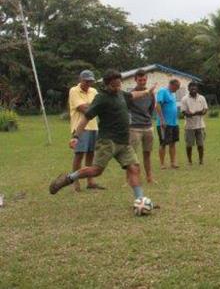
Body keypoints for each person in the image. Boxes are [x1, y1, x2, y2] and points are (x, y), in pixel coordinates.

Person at [49, 70, 156, 206]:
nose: (117, 87)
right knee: (96, 171)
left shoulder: (121, 94)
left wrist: (147, 92)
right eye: (114, 85)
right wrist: (76, 136)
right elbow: (86, 118)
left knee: (134, 168)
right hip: (108, 141)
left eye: (119, 84)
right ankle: (69, 178)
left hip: (123, 142)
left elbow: (134, 94)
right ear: (106, 84)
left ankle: (140, 200)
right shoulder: (101, 98)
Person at [68, 70, 103, 191]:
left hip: (94, 126)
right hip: (80, 128)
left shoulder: (94, 91)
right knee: (79, 155)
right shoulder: (74, 90)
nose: (88, 83)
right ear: (80, 80)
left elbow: (99, 106)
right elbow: (83, 109)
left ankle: (90, 181)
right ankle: (75, 181)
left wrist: (92, 106)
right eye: (86, 81)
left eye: (90, 81)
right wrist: (93, 106)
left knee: (91, 154)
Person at [128, 69, 156, 183]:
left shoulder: (151, 93)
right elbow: (127, 109)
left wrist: (147, 119)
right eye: (140, 80)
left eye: (144, 79)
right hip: (134, 128)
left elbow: (151, 108)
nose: (142, 82)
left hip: (148, 127)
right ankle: (130, 179)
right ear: (135, 80)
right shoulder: (131, 94)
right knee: (131, 155)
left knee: (147, 153)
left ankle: (149, 177)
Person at [180, 81, 208, 166]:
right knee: (189, 145)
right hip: (189, 126)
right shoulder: (184, 99)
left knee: (201, 144)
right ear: (188, 89)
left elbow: (205, 109)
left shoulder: (202, 98)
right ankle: (189, 161)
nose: (193, 88)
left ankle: (201, 160)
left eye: (195, 87)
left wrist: (202, 112)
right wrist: (194, 113)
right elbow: (184, 112)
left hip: (200, 125)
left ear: (197, 88)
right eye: (191, 87)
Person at [156, 79, 180, 169]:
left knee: (173, 143)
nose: (177, 89)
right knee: (163, 143)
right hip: (165, 123)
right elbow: (157, 105)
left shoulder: (172, 94)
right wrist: (162, 120)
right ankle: (162, 164)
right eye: (176, 87)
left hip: (174, 123)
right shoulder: (162, 91)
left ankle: (173, 162)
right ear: (171, 84)